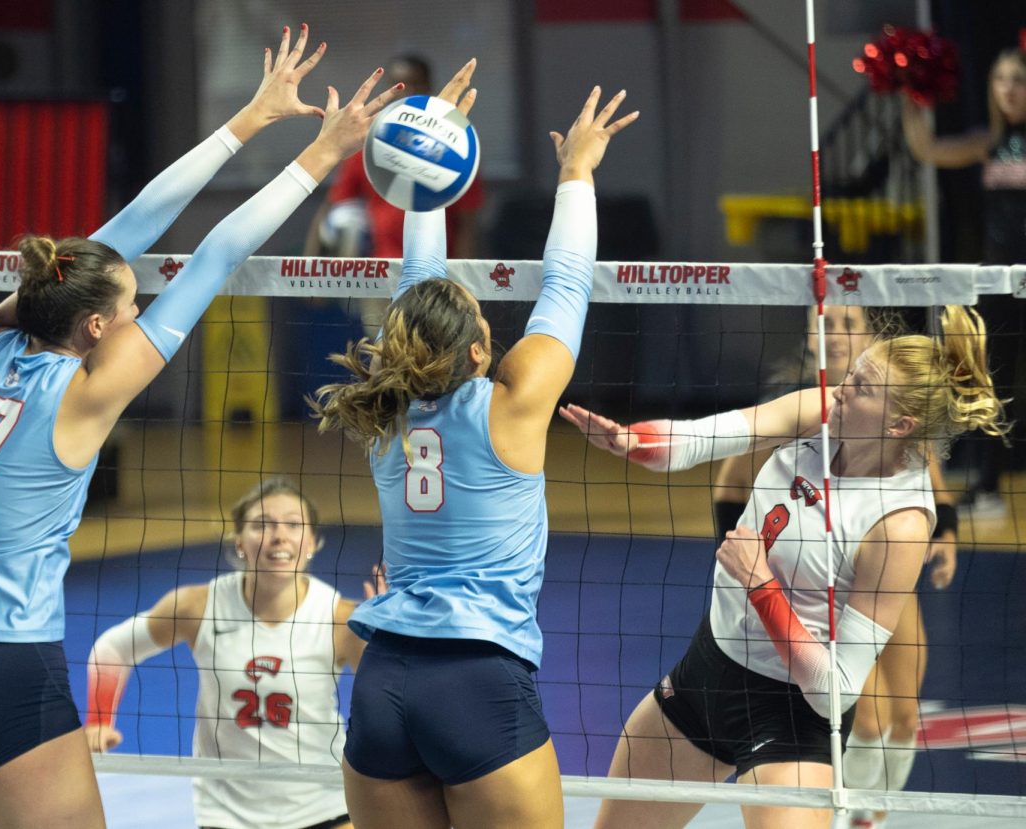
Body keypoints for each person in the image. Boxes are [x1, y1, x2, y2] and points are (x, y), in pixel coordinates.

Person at [0, 24, 405, 829]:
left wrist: (248, 120)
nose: (135, 315)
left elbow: (116, 237)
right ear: (93, 330)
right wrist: (324, 153)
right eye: (127, 310)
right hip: (2, 669)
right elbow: (217, 254)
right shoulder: (85, 394)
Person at [311, 60, 638, 827]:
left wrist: (424, 171)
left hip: (384, 682)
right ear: (483, 356)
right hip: (478, 683)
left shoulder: (384, 410)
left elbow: (415, 282)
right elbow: (566, 283)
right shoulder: (514, 405)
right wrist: (577, 172)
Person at [560, 305, 1008, 829]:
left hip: (793, 719)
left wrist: (760, 584)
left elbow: (836, 687)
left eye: (862, 386)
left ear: (899, 424)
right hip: (706, 679)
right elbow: (712, 436)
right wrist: (634, 443)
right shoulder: (821, 413)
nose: (841, 388)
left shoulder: (899, 524)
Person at [711, 306, 958, 828]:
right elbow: (731, 481)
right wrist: (741, 561)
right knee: (863, 712)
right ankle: (842, 811)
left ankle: (870, 815)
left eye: (848, 324)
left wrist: (949, 530)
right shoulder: (808, 400)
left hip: (875, 563)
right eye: (824, 324)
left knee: (904, 710)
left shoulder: (891, 395)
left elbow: (925, 468)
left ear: (869, 335)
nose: (836, 335)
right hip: (811, 582)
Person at [83, 478, 384, 829]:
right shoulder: (197, 607)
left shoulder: (340, 617)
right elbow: (111, 650)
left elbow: (389, 693)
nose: (279, 536)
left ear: (313, 543)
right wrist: (99, 718)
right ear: (239, 542)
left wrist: (392, 638)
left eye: (293, 524)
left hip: (323, 798)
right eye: (261, 525)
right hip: (228, 811)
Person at [902, 47, 1026, 519]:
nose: (1008, 89)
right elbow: (927, 149)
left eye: (1017, 79)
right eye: (1000, 80)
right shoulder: (987, 140)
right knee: (991, 383)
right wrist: (909, 97)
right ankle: (990, 486)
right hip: (999, 281)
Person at [304, 53, 486, 261]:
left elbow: (468, 223)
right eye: (399, 86)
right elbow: (332, 207)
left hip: (434, 273)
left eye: (415, 84)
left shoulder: (455, 149)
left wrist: (460, 279)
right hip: (379, 274)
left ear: (428, 87)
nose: (407, 92)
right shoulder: (370, 144)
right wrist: (311, 280)